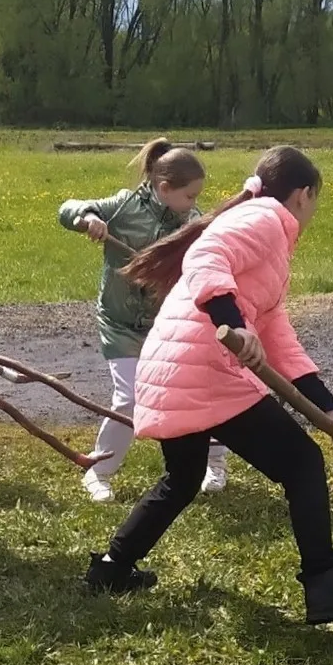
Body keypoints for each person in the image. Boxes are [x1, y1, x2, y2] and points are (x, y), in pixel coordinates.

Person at [84, 145, 333, 626]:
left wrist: (330, 410)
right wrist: (232, 321)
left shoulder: (265, 233)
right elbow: (206, 255)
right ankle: (325, 584)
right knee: (302, 462)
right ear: (303, 194)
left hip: (173, 370)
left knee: (182, 478)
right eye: (316, 201)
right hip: (204, 370)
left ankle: (112, 568)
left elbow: (278, 337)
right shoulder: (267, 218)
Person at [58, 139, 228, 503]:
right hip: (119, 325)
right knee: (129, 398)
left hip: (168, 328)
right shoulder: (123, 206)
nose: (195, 203)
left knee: (196, 391)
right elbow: (66, 208)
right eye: (190, 195)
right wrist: (88, 218)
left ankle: (215, 462)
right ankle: (98, 470)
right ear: (164, 188)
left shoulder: (193, 224)